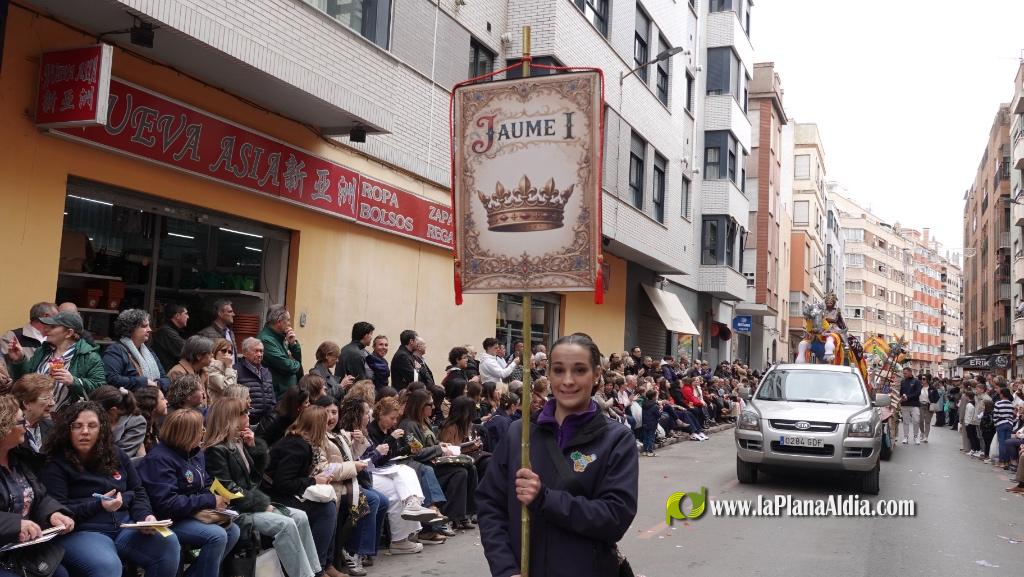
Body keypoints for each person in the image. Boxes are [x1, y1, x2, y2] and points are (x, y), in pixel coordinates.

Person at [477, 333, 639, 577]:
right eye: (559, 370)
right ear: (548, 374)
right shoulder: (518, 434)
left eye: (580, 370)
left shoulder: (616, 440)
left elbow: (615, 518)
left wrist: (545, 499)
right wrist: (505, 568)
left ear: (596, 375)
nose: (568, 380)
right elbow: (490, 505)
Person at [41, 401, 181, 577]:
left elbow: (137, 490)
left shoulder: (115, 454)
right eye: (77, 426)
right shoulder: (56, 463)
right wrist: (98, 505)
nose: (85, 431)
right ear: (67, 430)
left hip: (125, 525)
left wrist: (145, 517)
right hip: (83, 531)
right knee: (107, 565)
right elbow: (57, 509)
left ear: (102, 429)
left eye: (92, 426)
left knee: (168, 541)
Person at [203, 398, 320, 577]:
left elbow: (254, 479)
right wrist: (261, 504)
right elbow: (226, 488)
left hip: (249, 503)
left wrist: (254, 449)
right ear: (231, 418)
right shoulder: (216, 450)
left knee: (301, 517)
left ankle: (313, 572)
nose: (248, 416)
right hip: (235, 510)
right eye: (244, 413)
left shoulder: (238, 442)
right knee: (285, 524)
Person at [136, 409, 241, 577]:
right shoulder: (159, 459)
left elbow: (206, 482)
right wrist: (210, 500)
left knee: (233, 531)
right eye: (200, 429)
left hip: (193, 513)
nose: (203, 433)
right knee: (217, 536)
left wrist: (220, 499)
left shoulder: (194, 453)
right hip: (169, 519)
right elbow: (167, 504)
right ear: (187, 434)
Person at [0, 394, 75, 577]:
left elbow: (38, 495)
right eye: (20, 421)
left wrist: (53, 514)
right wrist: (15, 524)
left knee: (61, 573)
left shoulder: (19, 458)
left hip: (22, 549)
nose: (26, 426)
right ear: (3, 428)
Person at [264, 406, 338, 574]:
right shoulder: (298, 447)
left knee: (329, 504)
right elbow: (283, 484)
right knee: (325, 509)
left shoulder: (298, 441)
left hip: (277, 493)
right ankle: (318, 566)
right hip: (274, 497)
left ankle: (322, 564)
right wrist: (313, 480)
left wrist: (316, 478)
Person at [367, 396, 448, 547]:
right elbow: (378, 457)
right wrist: (392, 439)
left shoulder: (394, 428)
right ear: (380, 415)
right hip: (380, 470)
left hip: (394, 466)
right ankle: (422, 514)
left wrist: (409, 448)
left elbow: (398, 451)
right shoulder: (373, 430)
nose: (394, 422)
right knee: (412, 472)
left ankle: (414, 509)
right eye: (391, 418)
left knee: (409, 473)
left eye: (395, 418)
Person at [400, 390, 475, 534]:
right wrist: (439, 448)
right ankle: (447, 517)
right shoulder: (408, 426)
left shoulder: (425, 422)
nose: (433, 407)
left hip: (434, 461)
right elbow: (418, 452)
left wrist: (441, 445)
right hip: (424, 465)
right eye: (430, 404)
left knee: (470, 469)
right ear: (420, 406)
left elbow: (432, 444)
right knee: (460, 473)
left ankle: (464, 514)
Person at [335, 397, 392, 572]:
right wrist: (374, 451)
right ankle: (354, 551)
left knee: (383, 501)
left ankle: (367, 550)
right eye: (366, 413)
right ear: (357, 414)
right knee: (373, 499)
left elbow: (360, 461)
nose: (369, 416)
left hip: (359, 480)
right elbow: (356, 462)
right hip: (345, 483)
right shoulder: (344, 433)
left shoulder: (362, 432)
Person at [6, 311, 105, 412]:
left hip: (66, 418)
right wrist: (19, 360)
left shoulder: (89, 356)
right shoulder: (43, 351)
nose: (46, 329)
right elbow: (25, 382)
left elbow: (100, 388)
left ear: (69, 333)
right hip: (34, 414)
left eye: (53, 327)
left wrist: (73, 381)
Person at [103, 309, 171, 392]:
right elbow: (111, 379)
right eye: (144, 326)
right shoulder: (115, 350)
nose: (150, 329)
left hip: (151, 400)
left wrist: (158, 384)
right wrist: (144, 382)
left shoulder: (149, 352)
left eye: (149, 326)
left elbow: (165, 378)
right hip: (129, 402)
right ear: (130, 329)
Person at [439, 396, 490, 482]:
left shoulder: (468, 424)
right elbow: (450, 451)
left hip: (469, 456)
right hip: (456, 460)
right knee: (486, 462)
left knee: (489, 461)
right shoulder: (450, 427)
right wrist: (471, 447)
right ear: (466, 412)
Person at [91, 385, 148, 459]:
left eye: (97, 412)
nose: (92, 415)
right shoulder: (95, 421)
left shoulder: (136, 422)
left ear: (113, 411)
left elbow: (122, 457)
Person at [258, 305, 303, 397]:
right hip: (277, 394)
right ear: (279, 322)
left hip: (286, 392)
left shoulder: (281, 337)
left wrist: (293, 344)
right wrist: (296, 362)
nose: (289, 324)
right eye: (288, 320)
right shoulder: (266, 340)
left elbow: (297, 359)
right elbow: (288, 366)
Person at [235, 337, 276, 432]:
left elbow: (272, 396)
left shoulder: (266, 372)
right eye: (256, 351)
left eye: (261, 351)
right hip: (247, 422)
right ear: (244, 353)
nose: (259, 354)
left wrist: (272, 414)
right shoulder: (236, 371)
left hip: (267, 422)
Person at [11, 374, 56, 458]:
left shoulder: (52, 427)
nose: (52, 403)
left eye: (52, 398)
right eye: (46, 398)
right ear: (27, 403)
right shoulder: (11, 432)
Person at [167, 336, 214, 401]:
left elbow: (207, 399)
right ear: (199, 356)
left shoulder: (203, 372)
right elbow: (180, 402)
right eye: (209, 353)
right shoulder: (177, 372)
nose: (212, 355)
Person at [150, 303, 189, 372]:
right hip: (165, 375)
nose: (188, 317)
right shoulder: (166, 332)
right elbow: (188, 351)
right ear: (177, 315)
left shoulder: (172, 330)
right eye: (186, 314)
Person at [197, 300, 236, 364]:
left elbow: (233, 357)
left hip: (230, 371)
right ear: (220, 313)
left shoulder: (230, 333)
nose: (233, 314)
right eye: (230, 312)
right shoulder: (205, 334)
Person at [134, 386, 167, 455]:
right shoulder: (139, 430)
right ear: (152, 404)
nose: (167, 401)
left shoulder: (153, 425)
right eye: (163, 399)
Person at [206, 338, 238, 405]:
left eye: (230, 352)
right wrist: (229, 367)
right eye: (223, 351)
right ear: (215, 351)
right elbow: (228, 390)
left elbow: (235, 391)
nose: (227, 354)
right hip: (215, 409)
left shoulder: (227, 367)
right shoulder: (211, 367)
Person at [899, 367, 922, 445]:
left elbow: (918, 393)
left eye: (905, 373)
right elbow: (901, 392)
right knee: (905, 422)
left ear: (910, 372)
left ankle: (916, 437)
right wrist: (901, 398)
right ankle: (905, 437)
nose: (904, 374)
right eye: (903, 373)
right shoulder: (902, 382)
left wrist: (908, 397)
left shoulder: (917, 381)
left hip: (914, 404)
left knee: (916, 420)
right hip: (904, 404)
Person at [994, 387, 1016, 468]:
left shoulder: (998, 404)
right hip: (1009, 423)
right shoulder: (1011, 404)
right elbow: (1013, 415)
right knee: (1007, 443)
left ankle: (1001, 461)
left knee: (1002, 443)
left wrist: (995, 423)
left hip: (1001, 423)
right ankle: (1007, 461)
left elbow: (995, 415)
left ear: (1002, 394)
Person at [640, 388, 661, 457]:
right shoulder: (655, 406)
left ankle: (645, 451)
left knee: (645, 437)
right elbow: (658, 415)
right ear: (654, 397)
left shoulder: (644, 404)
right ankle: (650, 451)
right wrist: (660, 410)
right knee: (651, 437)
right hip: (652, 424)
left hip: (645, 422)